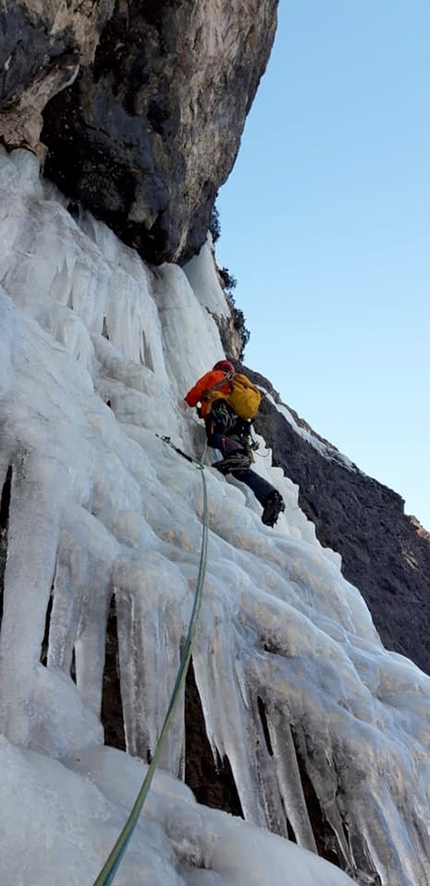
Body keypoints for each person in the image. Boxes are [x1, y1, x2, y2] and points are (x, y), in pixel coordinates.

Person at [184, 360, 285, 527]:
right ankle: (270, 497)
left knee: (214, 437)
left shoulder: (214, 375)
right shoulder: (236, 385)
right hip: (238, 425)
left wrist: (185, 405)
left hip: (220, 413)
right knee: (241, 471)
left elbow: (197, 392)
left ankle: (236, 453)